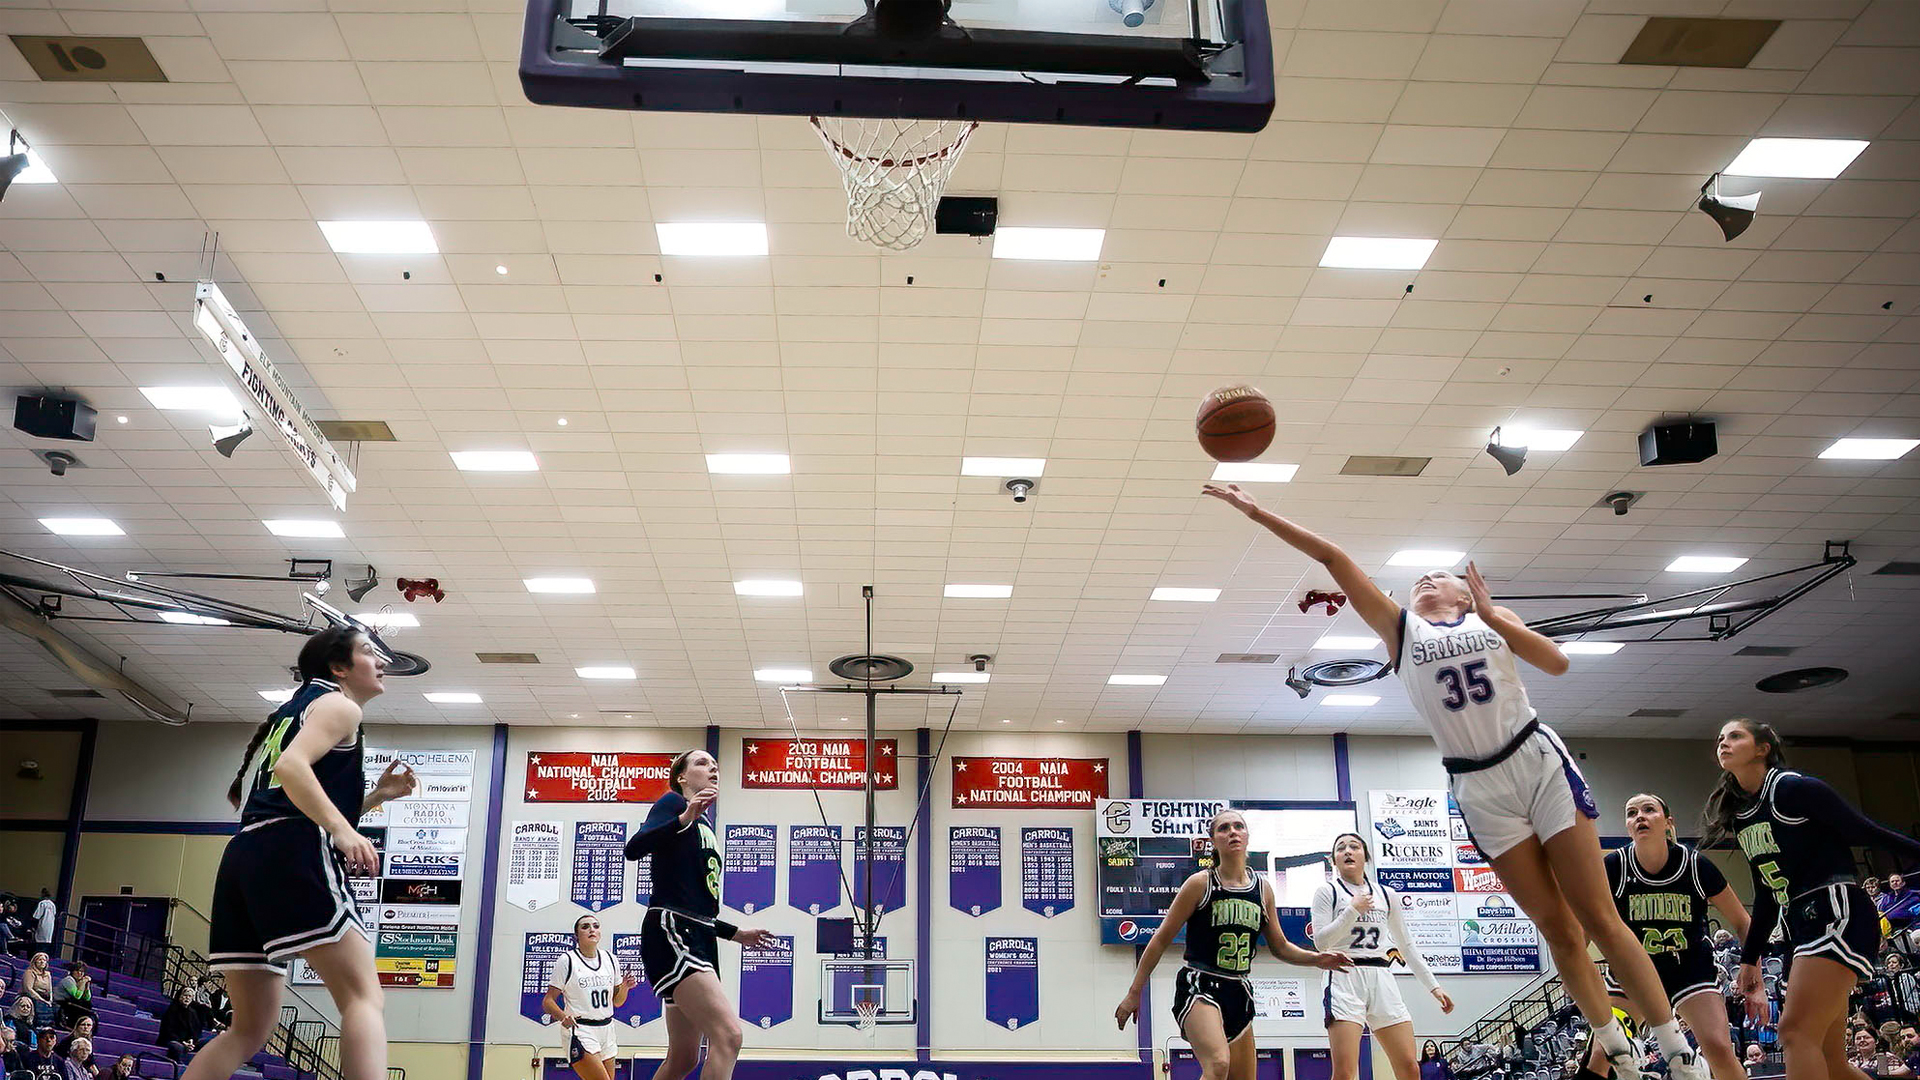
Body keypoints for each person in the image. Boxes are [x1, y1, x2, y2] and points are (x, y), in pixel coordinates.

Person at [1203, 482, 1707, 1080]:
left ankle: (1678, 1050)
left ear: (1467, 592)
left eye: (1438, 575)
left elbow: (1558, 662)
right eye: (1419, 577)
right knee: (1557, 929)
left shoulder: (1495, 620)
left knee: (1598, 917)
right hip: (1477, 783)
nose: (1425, 579)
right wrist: (1256, 511)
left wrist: (1496, 618)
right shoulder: (1401, 631)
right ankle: (1617, 1053)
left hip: (1536, 760)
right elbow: (1334, 559)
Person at [182, 628, 417, 1080]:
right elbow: (292, 770)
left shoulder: (292, 711)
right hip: (292, 850)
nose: (382, 661)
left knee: (249, 1028)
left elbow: (288, 795)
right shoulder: (338, 705)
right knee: (363, 997)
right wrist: (343, 830)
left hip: (245, 856)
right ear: (338, 667)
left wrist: (373, 797)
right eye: (369, 652)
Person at [1706, 719, 1920, 1080]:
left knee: (1794, 1033)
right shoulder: (1742, 817)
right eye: (1720, 738)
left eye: (1735, 736)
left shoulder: (1794, 789)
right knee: (1829, 1057)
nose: (1723, 743)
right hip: (1801, 922)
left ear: (1763, 748)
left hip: (1836, 908)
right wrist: (1750, 958)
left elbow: (1863, 829)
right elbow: (1766, 894)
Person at [1116, 808, 1350, 1080]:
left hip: (1238, 988)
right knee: (1218, 1064)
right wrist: (1134, 992)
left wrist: (1317, 959)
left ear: (1247, 836)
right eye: (1224, 828)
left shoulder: (1262, 889)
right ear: (1213, 841)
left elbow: (1280, 946)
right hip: (1200, 983)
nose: (1232, 832)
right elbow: (1159, 941)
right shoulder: (1200, 884)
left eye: (1238, 826)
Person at [1580, 793, 1752, 1080]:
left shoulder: (1697, 866)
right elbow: (1583, 928)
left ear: (1668, 822)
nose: (1640, 817)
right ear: (1627, 826)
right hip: (1632, 971)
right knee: (1601, 1054)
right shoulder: (1613, 867)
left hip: (1690, 970)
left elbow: (1742, 921)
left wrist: (1752, 968)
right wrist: (1577, 972)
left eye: (1649, 810)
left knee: (1719, 1048)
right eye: (1632, 812)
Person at [623, 749, 770, 1080]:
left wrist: (736, 933)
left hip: (697, 933)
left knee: (683, 1058)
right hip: (672, 930)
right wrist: (684, 817)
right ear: (682, 777)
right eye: (703, 763)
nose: (712, 768)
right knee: (729, 1036)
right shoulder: (673, 804)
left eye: (716, 765)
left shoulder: (704, 824)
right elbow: (633, 848)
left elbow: (696, 903)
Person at [1314, 832, 1454, 1080]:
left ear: (1365, 856)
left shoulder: (1387, 895)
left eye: (1354, 846)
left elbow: (1406, 945)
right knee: (1345, 1073)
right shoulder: (1327, 892)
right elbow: (1322, 942)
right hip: (1344, 976)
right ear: (1333, 860)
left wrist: (1434, 987)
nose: (1347, 851)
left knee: (1410, 1067)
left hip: (1382, 977)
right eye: (1341, 848)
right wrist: (1352, 910)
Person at [543, 915, 638, 1080]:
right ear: (576, 936)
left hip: (607, 1029)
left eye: (595, 926)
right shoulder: (567, 960)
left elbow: (617, 1002)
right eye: (585, 927)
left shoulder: (610, 959)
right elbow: (548, 1001)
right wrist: (562, 1016)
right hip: (581, 1029)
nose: (592, 929)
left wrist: (625, 987)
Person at [157, 986, 199, 1062]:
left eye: (190, 996)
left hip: (186, 1042)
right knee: (177, 1047)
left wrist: (191, 1040)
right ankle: (180, 1068)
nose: (187, 998)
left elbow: (195, 1031)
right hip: (170, 1040)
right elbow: (168, 1031)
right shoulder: (172, 1010)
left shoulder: (193, 1013)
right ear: (180, 996)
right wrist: (183, 1042)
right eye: (185, 995)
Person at [52, 965, 91, 1031]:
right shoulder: (68, 980)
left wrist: (87, 986)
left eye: (82, 971)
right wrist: (83, 982)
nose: (80, 973)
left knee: (87, 1004)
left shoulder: (80, 981)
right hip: (60, 1002)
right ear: (72, 972)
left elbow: (87, 998)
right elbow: (77, 996)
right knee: (80, 1004)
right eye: (77, 971)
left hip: (69, 1003)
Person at [18, 958, 51, 1029]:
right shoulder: (29, 972)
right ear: (35, 962)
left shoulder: (48, 974)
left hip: (44, 997)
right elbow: (28, 989)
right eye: (40, 960)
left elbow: (50, 990)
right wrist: (42, 999)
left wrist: (50, 1000)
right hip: (31, 996)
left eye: (44, 960)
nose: (42, 962)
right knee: (39, 1004)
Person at [30, 894, 55, 959]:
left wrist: (32, 926)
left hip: (42, 925)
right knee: (46, 943)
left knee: (39, 943)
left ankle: (36, 958)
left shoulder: (42, 903)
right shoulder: (53, 905)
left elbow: (36, 916)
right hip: (50, 926)